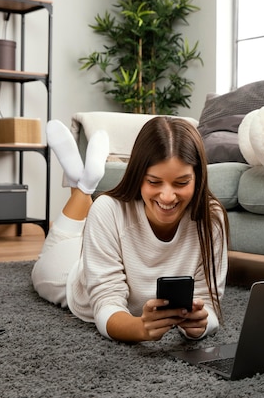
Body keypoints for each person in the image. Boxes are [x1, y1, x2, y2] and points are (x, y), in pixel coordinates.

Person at [31, 116, 229, 343]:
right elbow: (105, 304)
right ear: (138, 176)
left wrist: (201, 324)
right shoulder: (107, 209)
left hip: (109, 243)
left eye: (181, 183)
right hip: (66, 269)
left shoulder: (210, 219)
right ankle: (84, 186)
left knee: (92, 229)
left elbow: (210, 301)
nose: (167, 196)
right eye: (154, 182)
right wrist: (140, 328)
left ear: (198, 178)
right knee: (52, 247)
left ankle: (82, 180)